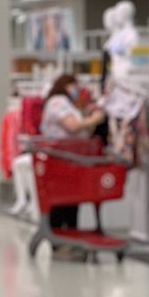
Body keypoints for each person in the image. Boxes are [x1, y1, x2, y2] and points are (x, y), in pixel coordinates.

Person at [40, 72, 105, 258]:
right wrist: (96, 118)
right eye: (73, 85)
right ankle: (60, 241)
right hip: (61, 162)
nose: (75, 89)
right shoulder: (58, 101)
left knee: (71, 201)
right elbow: (73, 127)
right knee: (63, 201)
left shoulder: (67, 104)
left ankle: (68, 239)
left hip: (70, 162)